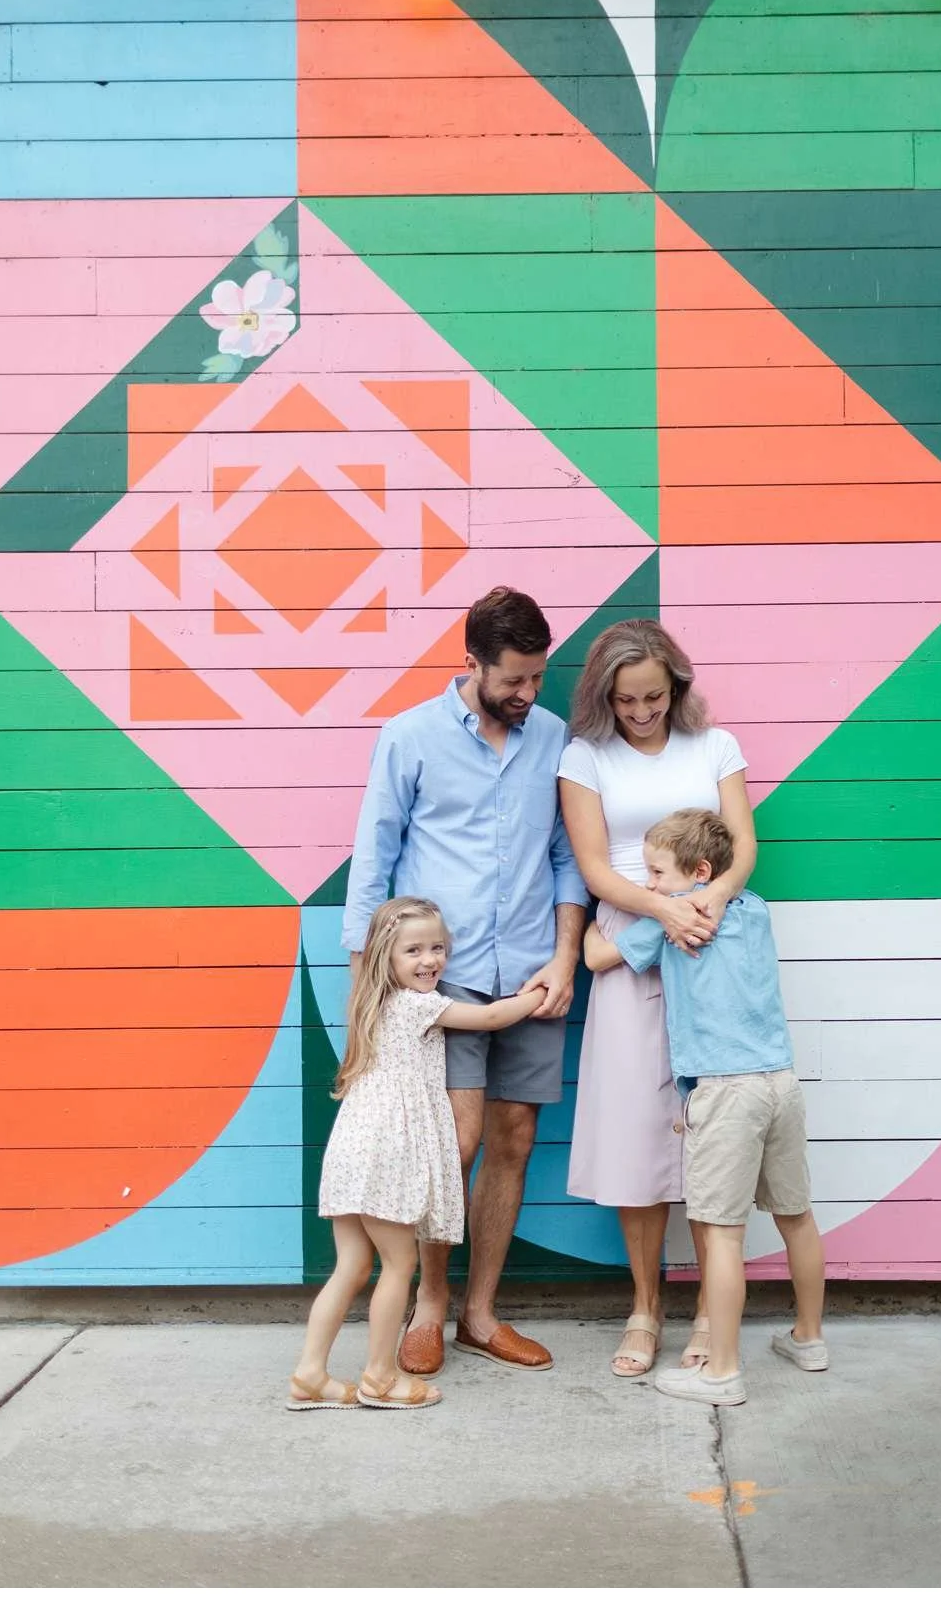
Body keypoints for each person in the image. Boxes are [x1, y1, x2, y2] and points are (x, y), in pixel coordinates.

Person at [342, 587, 588, 1376]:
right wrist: (367, 987)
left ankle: (481, 1313)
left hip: (531, 968)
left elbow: (563, 857)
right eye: (513, 679)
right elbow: (374, 854)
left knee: (514, 1138)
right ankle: (429, 1303)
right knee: (452, 1144)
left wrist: (563, 954)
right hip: (438, 981)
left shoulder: (552, 738)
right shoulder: (409, 736)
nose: (527, 694)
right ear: (473, 663)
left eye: (537, 678)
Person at [558, 620, 757, 1378]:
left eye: (655, 696)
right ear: (605, 697)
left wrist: (706, 903)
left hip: (708, 941)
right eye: (627, 700)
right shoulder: (585, 757)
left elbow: (742, 844)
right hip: (632, 943)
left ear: (677, 685)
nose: (642, 712)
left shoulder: (716, 748)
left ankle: (714, 1305)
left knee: (713, 1127)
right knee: (639, 1131)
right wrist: (659, 911)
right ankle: (645, 1306)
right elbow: (592, 866)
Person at [583, 809, 828, 1407]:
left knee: (721, 1234)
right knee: (795, 1215)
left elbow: (596, 956)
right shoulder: (756, 909)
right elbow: (731, 885)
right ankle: (809, 1339)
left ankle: (720, 1371)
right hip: (779, 1081)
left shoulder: (673, 919)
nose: (650, 886)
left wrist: (610, 919)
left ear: (696, 872)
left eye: (657, 873)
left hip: (724, 1090)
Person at [288, 898, 549, 1411]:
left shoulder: (371, 1006)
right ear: (387, 957)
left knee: (350, 1268)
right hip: (386, 1157)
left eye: (438, 948)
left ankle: (310, 1374)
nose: (430, 959)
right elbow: (493, 1015)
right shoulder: (415, 1004)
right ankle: (381, 1377)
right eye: (414, 950)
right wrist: (537, 993)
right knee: (399, 1264)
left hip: (352, 1156)